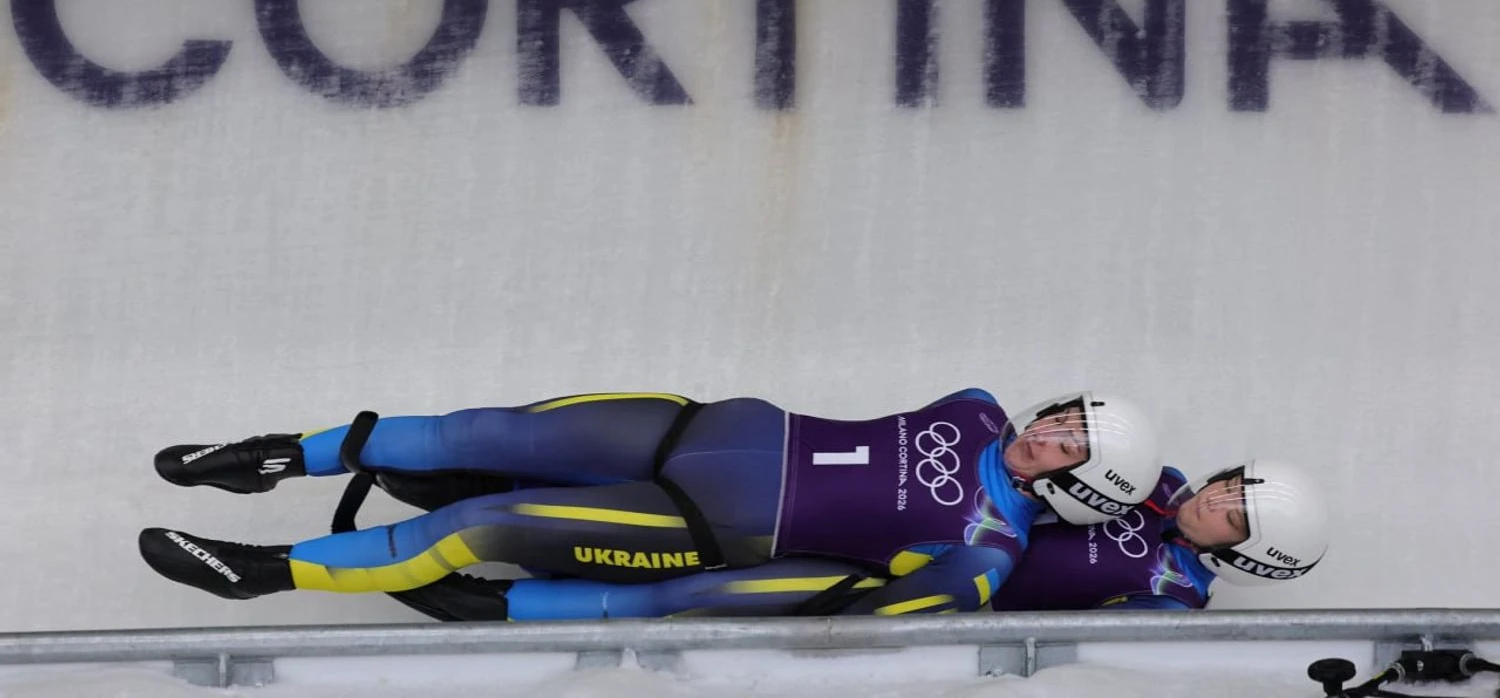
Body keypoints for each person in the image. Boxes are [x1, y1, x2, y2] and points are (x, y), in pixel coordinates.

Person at [139, 388, 1161, 616]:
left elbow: (840, 606)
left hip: (696, 525)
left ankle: (266, 572)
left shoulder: (981, 553)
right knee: (475, 432)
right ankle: (276, 454)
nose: (1048, 430)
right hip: (690, 424)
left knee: (476, 527)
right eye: (1063, 414)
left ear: (1078, 483)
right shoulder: (977, 407)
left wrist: (524, 609)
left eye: (1070, 442)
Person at [316, 458, 1328, 620]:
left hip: (908, 591)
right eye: (1232, 483)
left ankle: (493, 603)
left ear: (1245, 553)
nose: (1214, 498)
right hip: (894, 525)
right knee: (679, 505)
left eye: (1233, 512)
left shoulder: (1175, 600)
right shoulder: (1143, 480)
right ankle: (473, 491)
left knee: (697, 592)